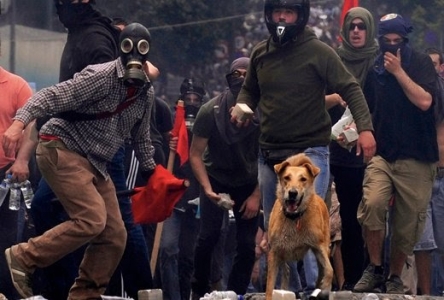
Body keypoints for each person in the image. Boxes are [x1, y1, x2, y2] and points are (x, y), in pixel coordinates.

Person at [2, 22, 156, 300]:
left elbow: (142, 138)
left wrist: (154, 173)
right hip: (61, 147)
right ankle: (23, 257)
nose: (134, 55)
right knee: (91, 219)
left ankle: (85, 294)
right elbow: (51, 96)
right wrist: (18, 123)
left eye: (141, 49)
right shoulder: (101, 76)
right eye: (128, 47)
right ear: (120, 50)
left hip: (97, 161)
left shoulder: (146, 92)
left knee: (114, 234)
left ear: (147, 55)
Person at [232, 0, 375, 295]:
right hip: (271, 154)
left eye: (289, 12)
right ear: (269, 15)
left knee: (310, 222)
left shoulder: (319, 52)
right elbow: (250, 90)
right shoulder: (260, 52)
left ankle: (316, 289)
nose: (282, 17)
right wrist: (241, 107)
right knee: (277, 232)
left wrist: (365, 129)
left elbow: (350, 87)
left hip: (310, 151)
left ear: (301, 15)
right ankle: (290, 292)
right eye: (277, 12)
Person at [353, 14, 438, 294]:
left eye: (397, 41)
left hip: (417, 156)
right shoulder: (374, 68)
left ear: (405, 39)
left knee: (407, 224)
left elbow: (425, 101)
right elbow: (364, 107)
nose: (391, 46)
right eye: (386, 42)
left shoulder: (422, 64)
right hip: (383, 154)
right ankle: (375, 267)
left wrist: (399, 72)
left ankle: (394, 275)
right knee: (373, 203)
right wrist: (358, 131)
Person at [190, 57, 261, 299]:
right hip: (216, 176)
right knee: (208, 236)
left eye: (246, 74)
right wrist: (207, 189)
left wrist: (256, 196)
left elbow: (269, 157)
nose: (241, 79)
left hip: (249, 180)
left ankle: (235, 294)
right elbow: (196, 154)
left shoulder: (264, 111)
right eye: (236, 74)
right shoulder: (210, 110)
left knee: (245, 243)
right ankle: (199, 289)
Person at [325, 7, 379, 290]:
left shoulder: (379, 64)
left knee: (357, 217)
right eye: (352, 26)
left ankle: (358, 280)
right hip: (331, 149)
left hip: (366, 153)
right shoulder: (332, 61)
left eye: (362, 26)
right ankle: (322, 281)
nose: (357, 31)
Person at [157, 78, 205, 300]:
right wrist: (169, 145)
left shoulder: (207, 124)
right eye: (189, 99)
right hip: (173, 198)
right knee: (167, 249)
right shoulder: (170, 124)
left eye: (197, 99)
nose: (192, 103)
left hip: (197, 199)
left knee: (190, 255)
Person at [412, 47, 444, 296]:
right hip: (420, 176)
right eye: (428, 64)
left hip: (441, 177)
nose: (432, 69)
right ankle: (426, 293)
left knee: (441, 243)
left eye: (435, 64)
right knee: (423, 243)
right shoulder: (416, 97)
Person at [0, 66, 33, 300]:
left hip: (6, 175)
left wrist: (22, 160)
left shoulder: (16, 85)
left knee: (7, 242)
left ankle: (7, 292)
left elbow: (32, 124)